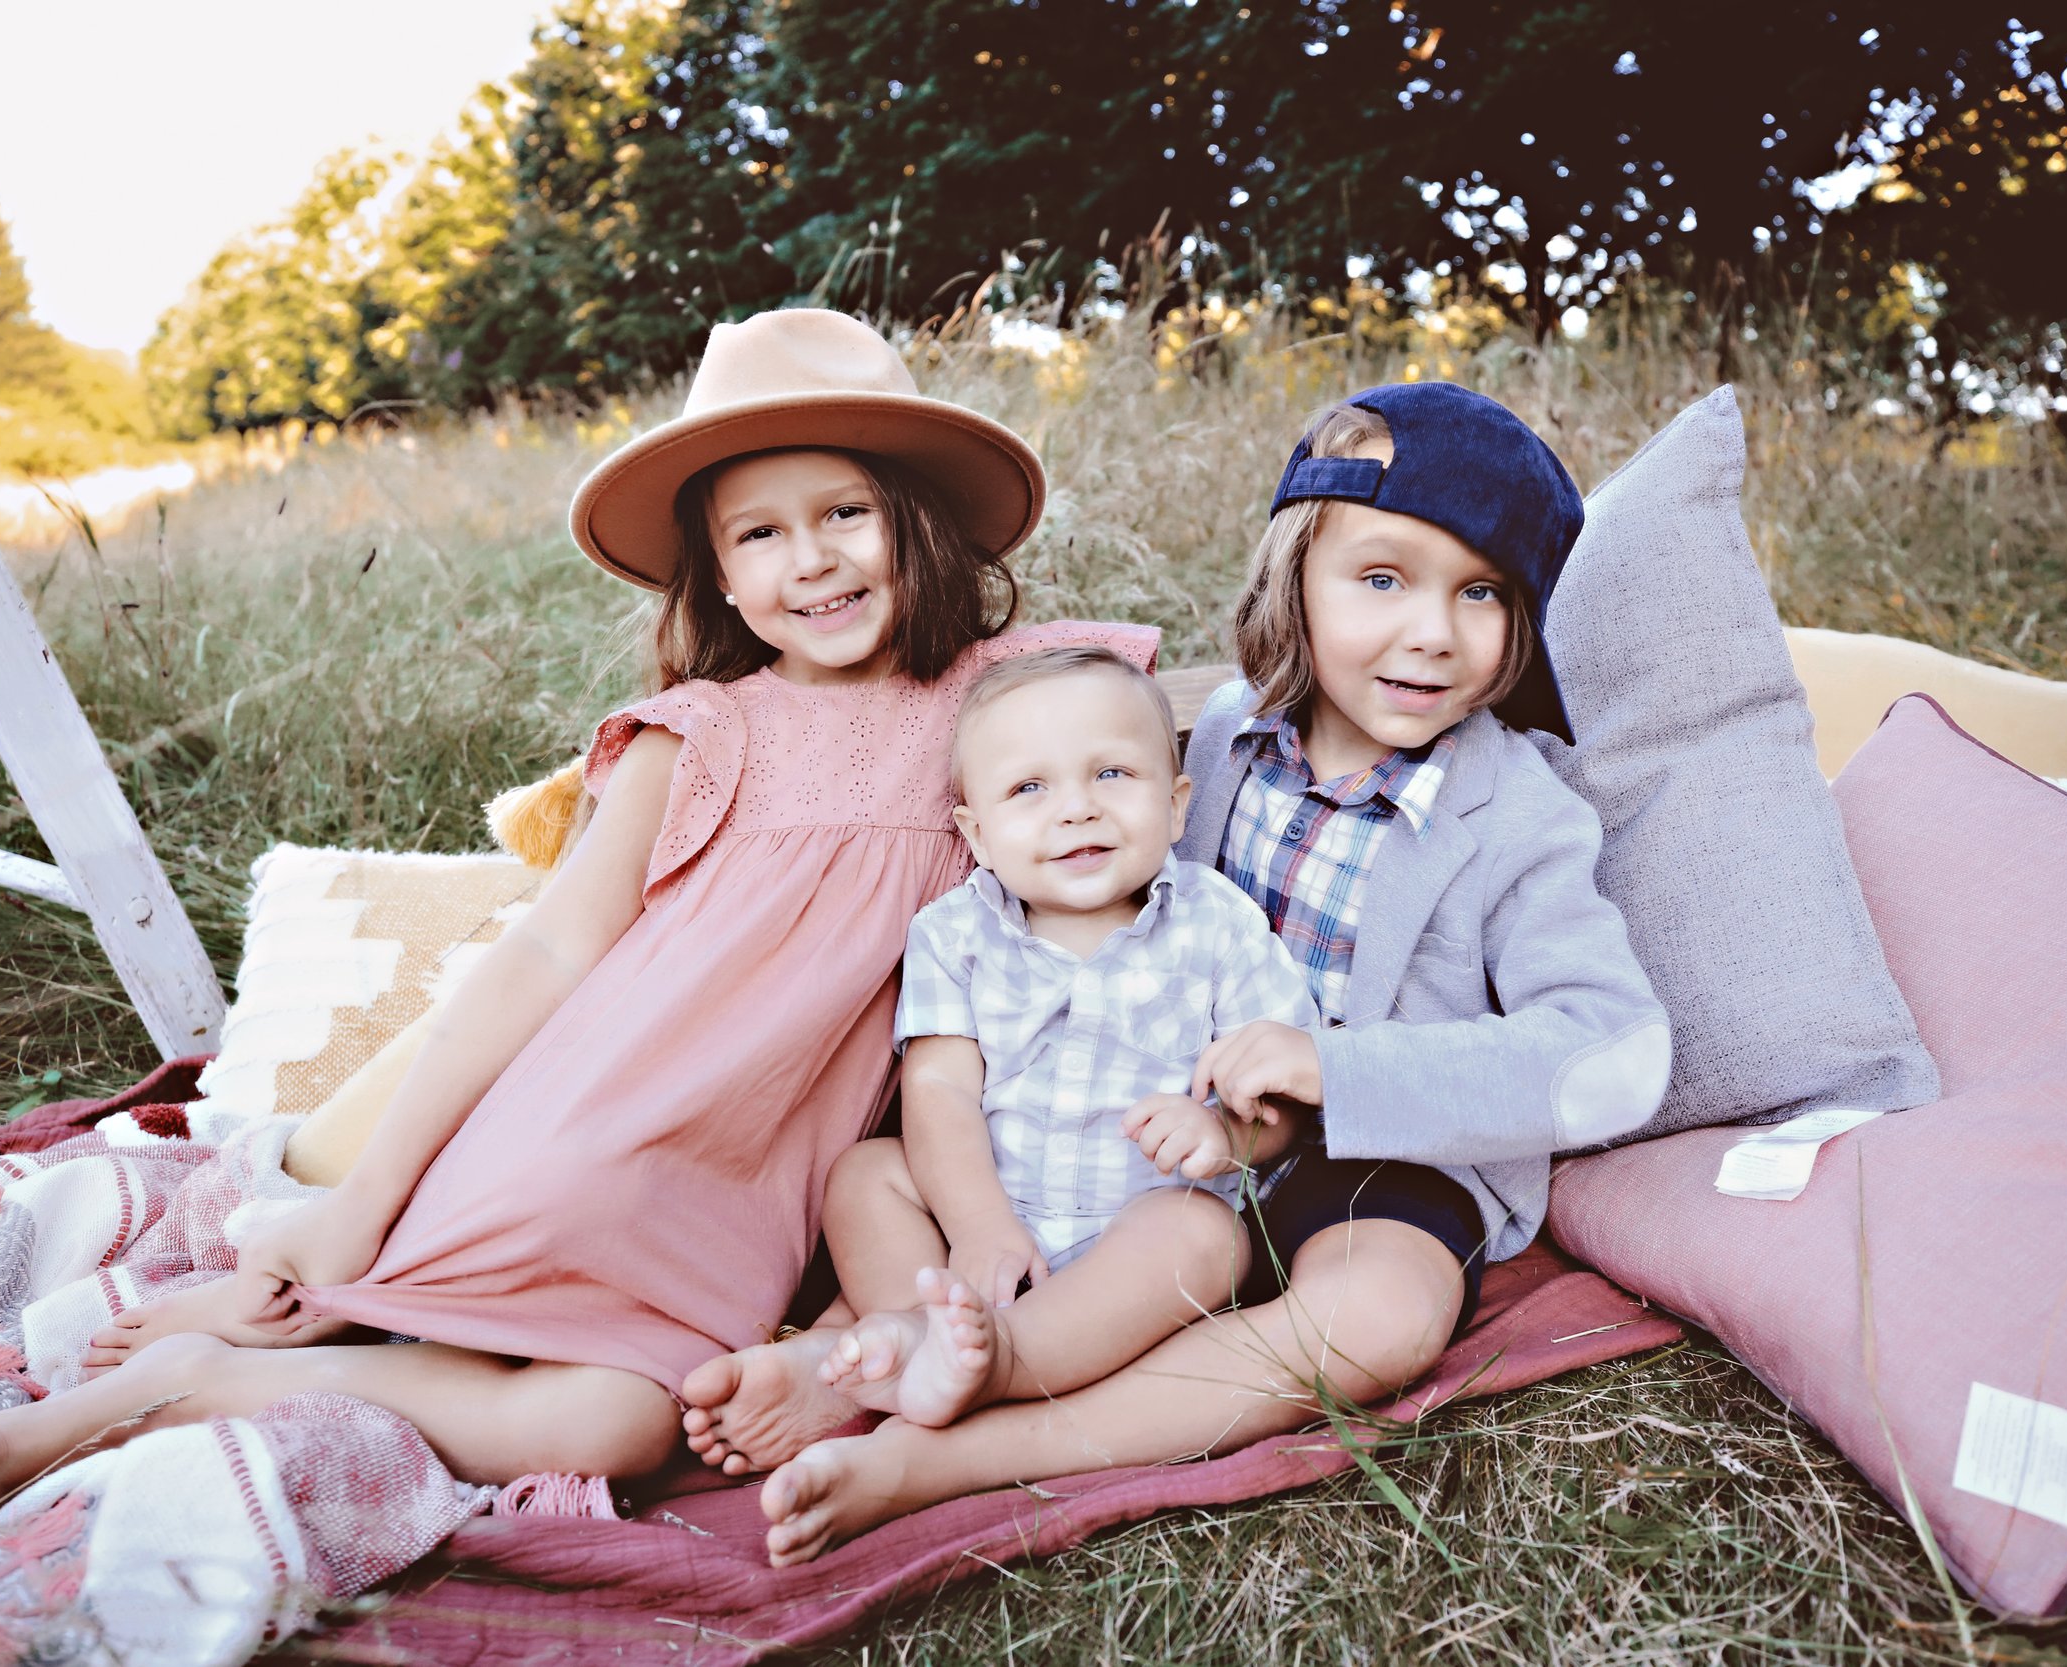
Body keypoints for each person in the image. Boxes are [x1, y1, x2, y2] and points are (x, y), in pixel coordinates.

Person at [0, 307, 1155, 1532]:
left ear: (911, 518)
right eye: (759, 533)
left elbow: (1162, 743)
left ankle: (237, 1365)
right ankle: (282, 1302)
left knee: (620, 1424)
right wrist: (366, 1190)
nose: (812, 559)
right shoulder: (705, 732)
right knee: (502, 1341)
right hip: (595, 1127)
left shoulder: (1006, 704)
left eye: (844, 512)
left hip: (751, 1189)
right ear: (718, 572)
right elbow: (550, 950)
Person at [712, 380, 1673, 1565]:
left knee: (1378, 1317)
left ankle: (954, 1454)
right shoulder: (1221, 735)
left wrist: (1332, 1064)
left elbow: (1612, 1047)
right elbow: (1061, 766)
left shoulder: (1520, 812)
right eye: (1381, 579)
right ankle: (863, 1352)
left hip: (1378, 1155)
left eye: (1481, 592)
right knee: (882, 1172)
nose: (1431, 630)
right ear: (1293, 582)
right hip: (1161, 1140)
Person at [804, 645, 1319, 1434]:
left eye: (1113, 774)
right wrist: (977, 1224)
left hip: (1137, 1226)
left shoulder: (1216, 921)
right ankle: (921, 1328)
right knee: (866, 1176)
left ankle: (997, 1360)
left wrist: (1224, 1132)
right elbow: (938, 1091)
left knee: (1207, 1239)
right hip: (985, 1217)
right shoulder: (955, 932)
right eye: (1029, 787)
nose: (1076, 808)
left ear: (1178, 805)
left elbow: (1280, 1087)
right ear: (975, 832)